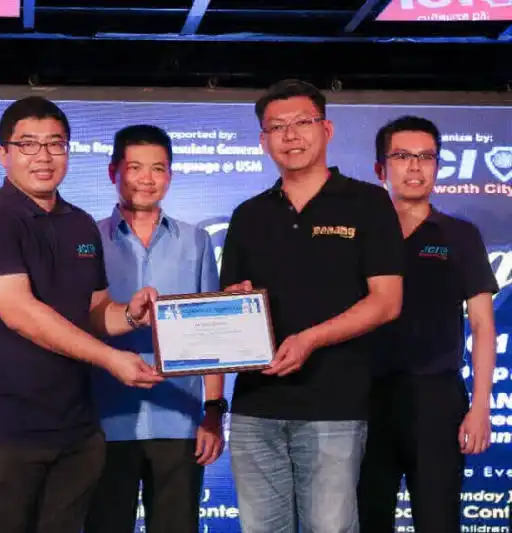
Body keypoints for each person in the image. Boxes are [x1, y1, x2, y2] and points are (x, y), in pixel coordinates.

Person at [0, 96, 164, 533]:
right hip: (0, 431)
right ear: (3, 154)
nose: (43, 156)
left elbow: (94, 311)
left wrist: (132, 315)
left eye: (55, 143)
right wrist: (111, 359)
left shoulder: (79, 223)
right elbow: (21, 313)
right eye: (28, 144)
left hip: (73, 432)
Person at [219, 79, 404, 533]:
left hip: (333, 405)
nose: (290, 135)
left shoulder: (367, 203)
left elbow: (387, 302)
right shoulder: (248, 214)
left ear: (327, 129)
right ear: (263, 141)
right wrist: (232, 305)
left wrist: (310, 340)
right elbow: (230, 305)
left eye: (302, 122)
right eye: (277, 127)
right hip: (255, 408)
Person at [357, 116, 498, 533]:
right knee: (365, 520)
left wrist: (480, 407)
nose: (415, 167)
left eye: (426, 157)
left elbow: (483, 325)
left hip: (436, 399)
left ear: (437, 166)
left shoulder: (460, 235)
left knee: (439, 521)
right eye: (402, 156)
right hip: (362, 400)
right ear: (381, 168)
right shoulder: (358, 236)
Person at [84, 125, 225, 533]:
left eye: (158, 168)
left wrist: (213, 412)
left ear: (170, 175)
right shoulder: (87, 239)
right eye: (135, 168)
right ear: (113, 172)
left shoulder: (196, 241)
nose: (147, 179)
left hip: (179, 419)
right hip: (104, 420)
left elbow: (212, 332)